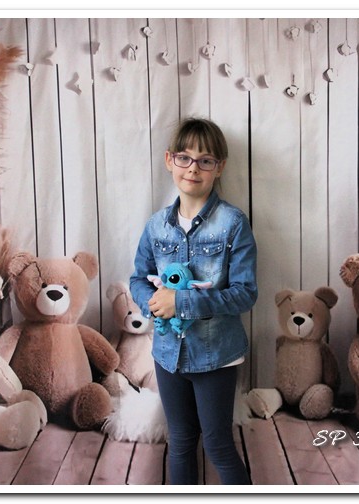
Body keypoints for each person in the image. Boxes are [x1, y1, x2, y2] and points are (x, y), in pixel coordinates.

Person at [130, 117, 257, 485]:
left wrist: (182, 303)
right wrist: (155, 303)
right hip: (167, 354)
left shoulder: (233, 223)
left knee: (217, 444)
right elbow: (138, 278)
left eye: (205, 160)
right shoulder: (156, 225)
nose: (193, 168)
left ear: (220, 167)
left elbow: (245, 293)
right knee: (181, 442)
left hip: (216, 355)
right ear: (169, 160)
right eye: (184, 158)